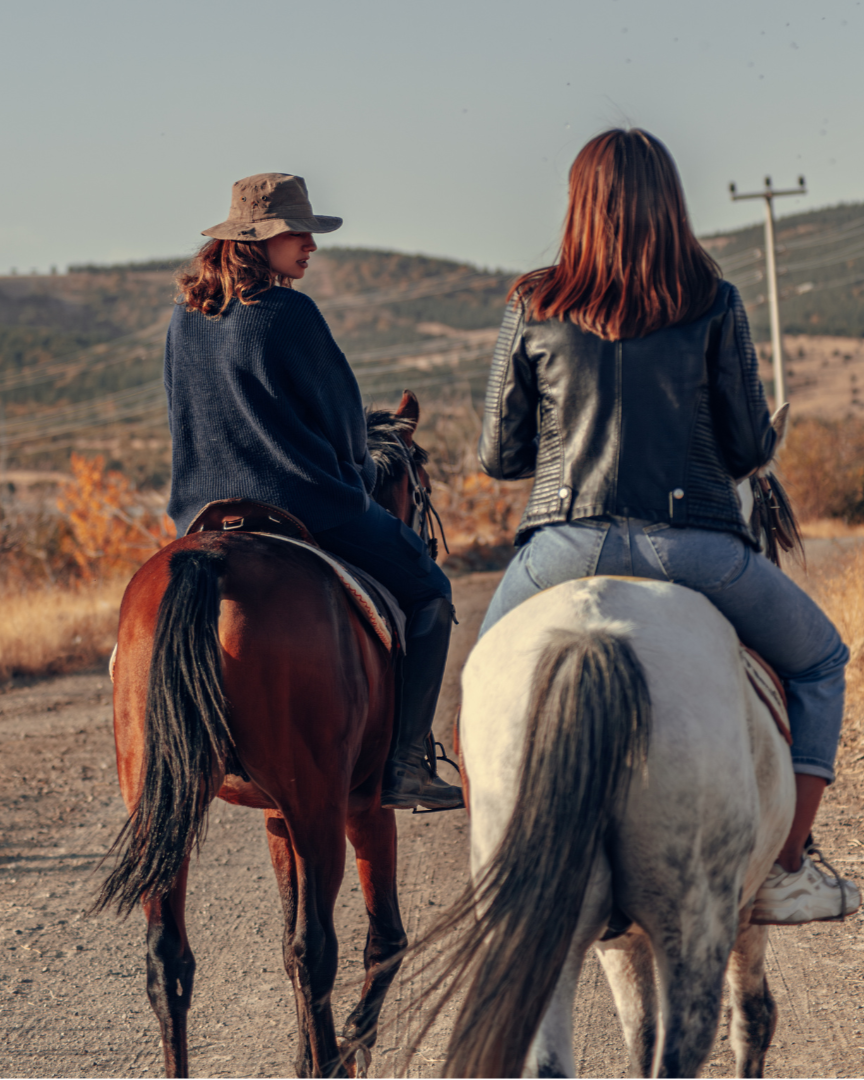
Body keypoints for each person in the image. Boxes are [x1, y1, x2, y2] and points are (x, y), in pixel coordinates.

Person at [477, 129, 858, 924]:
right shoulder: (712, 298)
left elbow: (500, 457)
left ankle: (493, 869)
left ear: (579, 201)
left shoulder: (532, 301)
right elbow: (754, 445)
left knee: (480, 686)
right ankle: (788, 866)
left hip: (563, 544)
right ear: (671, 200)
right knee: (822, 661)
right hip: (692, 547)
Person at [164, 171, 462, 811]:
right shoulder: (289, 312)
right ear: (258, 240)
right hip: (305, 508)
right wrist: (354, 473)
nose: (310, 246)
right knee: (431, 591)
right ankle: (407, 764)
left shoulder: (183, 321)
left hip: (200, 517)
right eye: (296, 233)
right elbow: (345, 421)